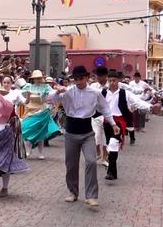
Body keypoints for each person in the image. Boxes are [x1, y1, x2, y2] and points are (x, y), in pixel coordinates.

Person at [48, 66, 118, 208]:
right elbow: (49, 98)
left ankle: (91, 196)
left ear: (87, 78)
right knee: (71, 164)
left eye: (81, 78)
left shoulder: (95, 93)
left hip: (87, 132)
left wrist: (113, 123)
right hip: (71, 131)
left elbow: (104, 108)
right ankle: (73, 192)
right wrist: (57, 91)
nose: (79, 81)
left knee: (91, 161)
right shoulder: (68, 92)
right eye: (76, 79)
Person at [101, 71, 150, 180]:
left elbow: (137, 102)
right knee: (110, 145)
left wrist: (150, 107)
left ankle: (110, 172)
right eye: (110, 81)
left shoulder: (124, 93)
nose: (112, 83)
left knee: (113, 143)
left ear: (118, 81)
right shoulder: (103, 93)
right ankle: (113, 172)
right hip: (106, 122)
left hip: (119, 122)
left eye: (114, 80)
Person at [20, 70, 61, 159]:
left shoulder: (45, 87)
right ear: (33, 79)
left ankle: (41, 153)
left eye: (40, 78)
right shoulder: (28, 87)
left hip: (42, 111)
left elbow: (52, 93)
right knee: (25, 129)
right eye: (36, 78)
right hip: (30, 111)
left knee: (41, 133)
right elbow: (22, 97)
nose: (38, 80)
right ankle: (28, 149)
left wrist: (58, 91)